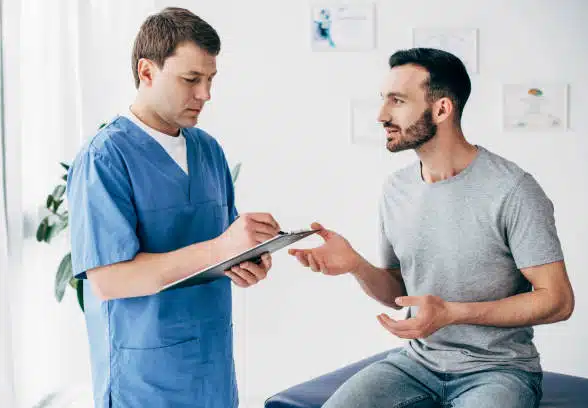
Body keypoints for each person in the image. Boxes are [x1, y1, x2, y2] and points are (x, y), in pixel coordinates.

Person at [288, 48, 574, 408]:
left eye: (397, 101)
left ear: (441, 109)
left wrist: (453, 312)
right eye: (383, 100)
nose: (381, 115)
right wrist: (356, 266)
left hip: (498, 370)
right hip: (416, 363)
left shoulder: (512, 190)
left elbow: (558, 300)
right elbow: (399, 294)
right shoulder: (396, 189)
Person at [67, 7, 280, 408]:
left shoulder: (209, 150)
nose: (205, 94)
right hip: (144, 381)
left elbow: (218, 246)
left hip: (211, 371)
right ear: (146, 72)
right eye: (190, 79)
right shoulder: (105, 158)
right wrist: (221, 249)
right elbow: (109, 280)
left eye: (210, 79)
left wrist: (247, 259)